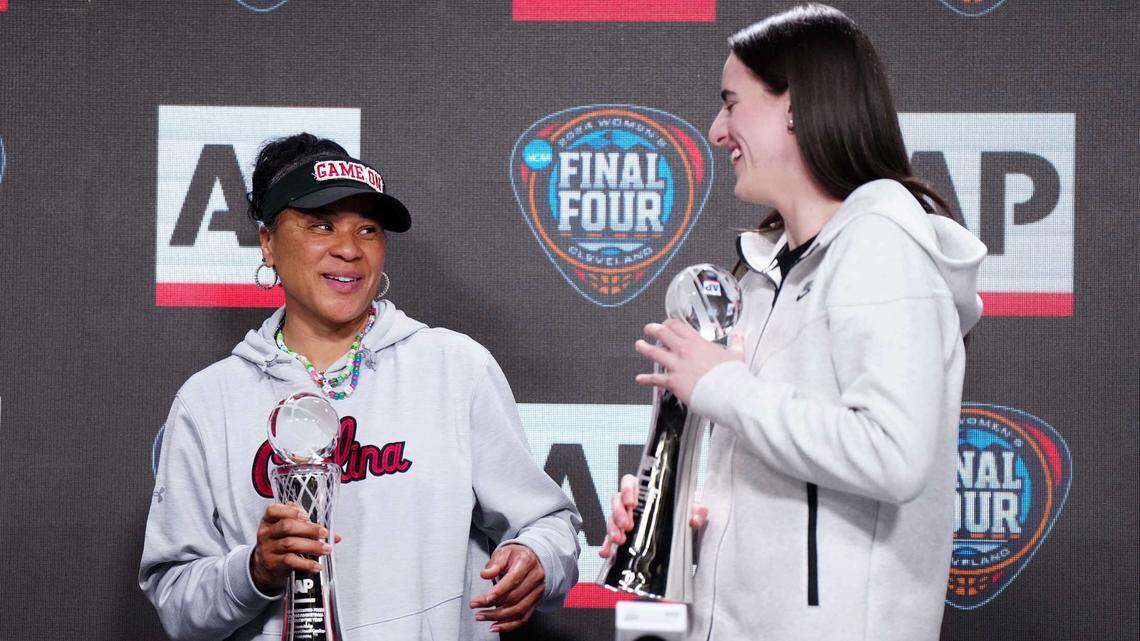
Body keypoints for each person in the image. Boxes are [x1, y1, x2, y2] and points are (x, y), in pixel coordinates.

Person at [600, 4, 986, 641]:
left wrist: (723, 387)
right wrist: (670, 515)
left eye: (732, 103)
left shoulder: (882, 247)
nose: (717, 130)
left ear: (796, 108)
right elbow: (773, 464)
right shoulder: (759, 277)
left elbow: (892, 454)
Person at [140, 133, 581, 640]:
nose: (348, 249)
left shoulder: (455, 368)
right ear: (267, 242)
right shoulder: (208, 401)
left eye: (367, 229)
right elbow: (175, 600)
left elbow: (551, 526)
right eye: (320, 225)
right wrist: (255, 571)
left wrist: (537, 556)